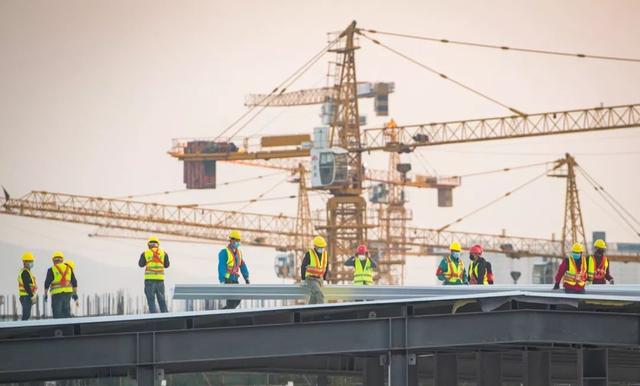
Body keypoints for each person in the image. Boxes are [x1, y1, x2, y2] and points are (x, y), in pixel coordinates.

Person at [218, 230, 250, 309]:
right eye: (236, 240)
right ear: (231, 240)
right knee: (231, 301)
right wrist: (226, 277)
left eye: (239, 241)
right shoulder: (224, 252)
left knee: (237, 299)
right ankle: (225, 317)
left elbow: (242, 265)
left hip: (235, 279)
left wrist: (246, 277)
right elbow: (221, 267)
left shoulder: (239, 253)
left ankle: (222, 313)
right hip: (227, 280)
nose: (238, 242)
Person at [139, 236, 170, 313]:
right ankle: (166, 317)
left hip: (149, 280)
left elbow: (141, 264)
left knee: (151, 300)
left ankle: (154, 317)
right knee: (162, 300)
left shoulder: (145, 253)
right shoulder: (163, 253)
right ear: (157, 244)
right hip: (160, 280)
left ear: (149, 244)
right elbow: (167, 265)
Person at [43, 251, 78, 318]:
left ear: (53, 260)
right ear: (62, 259)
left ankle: (58, 327)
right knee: (66, 311)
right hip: (68, 293)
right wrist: (75, 293)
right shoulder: (69, 268)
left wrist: (45, 294)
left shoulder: (51, 269)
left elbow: (47, 283)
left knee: (57, 312)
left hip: (57, 294)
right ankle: (67, 326)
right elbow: (74, 282)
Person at [301, 236, 329, 304]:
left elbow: (326, 267)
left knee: (314, 297)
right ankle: (322, 313)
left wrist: (325, 279)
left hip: (320, 279)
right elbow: (303, 266)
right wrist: (303, 279)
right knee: (320, 294)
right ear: (315, 246)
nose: (321, 248)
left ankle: (308, 312)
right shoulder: (309, 254)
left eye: (322, 247)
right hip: (311, 279)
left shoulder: (325, 254)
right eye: (319, 247)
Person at [18, 252, 38, 321]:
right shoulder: (25, 272)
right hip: (25, 296)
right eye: (29, 261)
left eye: (31, 261)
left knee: (27, 314)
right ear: (24, 262)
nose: (31, 262)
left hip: (26, 296)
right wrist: (32, 296)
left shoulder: (28, 272)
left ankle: (22, 328)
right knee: (26, 314)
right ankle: (22, 329)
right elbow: (26, 285)